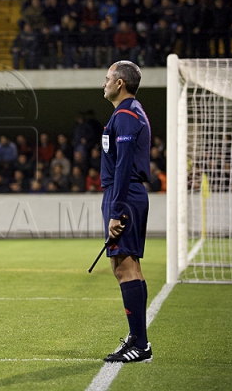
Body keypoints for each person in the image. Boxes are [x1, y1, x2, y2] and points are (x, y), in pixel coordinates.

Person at [100, 60, 152, 363]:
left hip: (125, 196)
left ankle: (140, 344)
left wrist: (117, 210)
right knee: (127, 266)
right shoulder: (127, 113)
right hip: (126, 195)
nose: (104, 83)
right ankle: (137, 338)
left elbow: (122, 167)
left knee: (125, 268)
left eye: (108, 78)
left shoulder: (127, 115)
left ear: (120, 83)